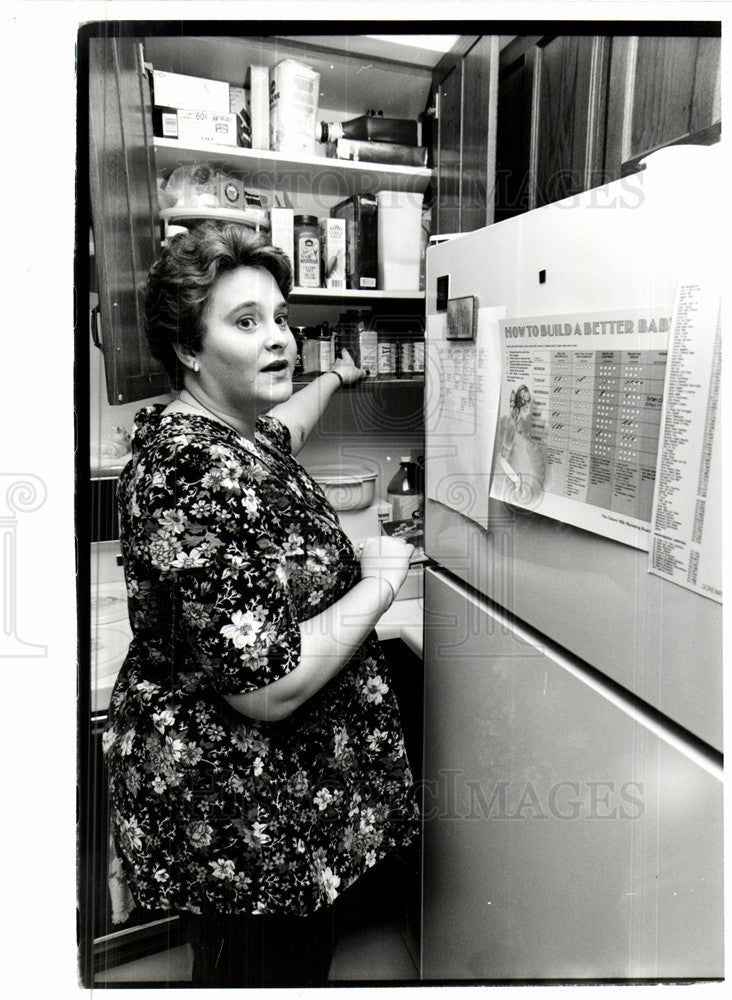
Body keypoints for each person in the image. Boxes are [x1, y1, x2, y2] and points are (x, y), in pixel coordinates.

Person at [102, 222, 419, 987]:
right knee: (266, 977)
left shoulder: (237, 434)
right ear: (186, 348)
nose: (278, 337)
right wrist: (380, 576)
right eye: (246, 322)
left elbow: (286, 424)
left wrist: (338, 377)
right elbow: (268, 688)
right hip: (245, 817)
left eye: (280, 318)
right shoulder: (195, 471)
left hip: (275, 809)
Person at [495, 384, 547, 504]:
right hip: (510, 479)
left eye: (529, 403)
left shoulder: (522, 427)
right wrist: (517, 481)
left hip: (520, 478)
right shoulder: (512, 426)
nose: (529, 407)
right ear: (520, 406)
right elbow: (502, 460)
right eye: (526, 404)